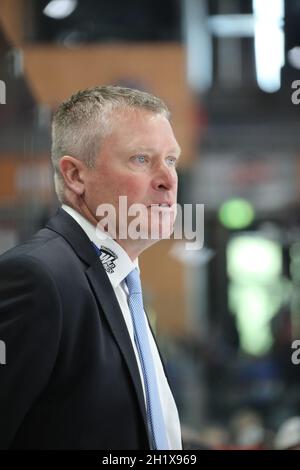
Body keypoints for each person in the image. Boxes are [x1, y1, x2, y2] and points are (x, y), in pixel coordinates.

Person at [0, 85, 182, 450]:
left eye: (172, 159)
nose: (168, 179)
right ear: (75, 176)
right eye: (142, 159)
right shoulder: (39, 278)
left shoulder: (120, 282)